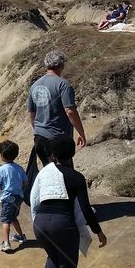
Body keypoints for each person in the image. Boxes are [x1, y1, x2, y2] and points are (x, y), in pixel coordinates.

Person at [30, 138, 107, 268]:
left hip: (40, 222)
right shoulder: (76, 177)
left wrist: (37, 222)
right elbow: (86, 208)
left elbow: (34, 198)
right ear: (72, 154)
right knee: (67, 267)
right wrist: (98, 231)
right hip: (62, 223)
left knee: (53, 257)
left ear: (53, 154)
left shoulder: (44, 174)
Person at [26, 50, 86, 185]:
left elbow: (31, 113)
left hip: (40, 137)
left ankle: (48, 202)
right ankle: (65, 204)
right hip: (58, 138)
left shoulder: (35, 86)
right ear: (61, 65)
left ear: (46, 66)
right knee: (64, 174)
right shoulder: (63, 85)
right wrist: (81, 132)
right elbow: (70, 111)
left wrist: (37, 130)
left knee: (49, 172)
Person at [0, 140, 28, 252]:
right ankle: (20, 236)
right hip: (19, 197)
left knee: (6, 220)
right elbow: (26, 182)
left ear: (2, 155)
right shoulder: (19, 168)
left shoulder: (1, 169)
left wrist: (5, 187)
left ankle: (6, 243)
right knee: (13, 217)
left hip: (8, 198)